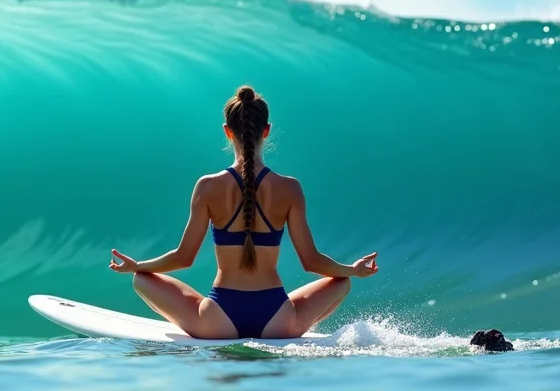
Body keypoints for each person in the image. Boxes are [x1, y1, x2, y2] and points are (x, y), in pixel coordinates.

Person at [108, 86, 378, 339]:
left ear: (227, 131)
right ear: (267, 130)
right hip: (277, 319)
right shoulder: (289, 188)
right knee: (342, 283)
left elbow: (184, 257)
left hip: (218, 320)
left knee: (141, 280)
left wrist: (138, 266)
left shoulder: (208, 186)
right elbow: (311, 261)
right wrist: (351, 270)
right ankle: (289, 330)